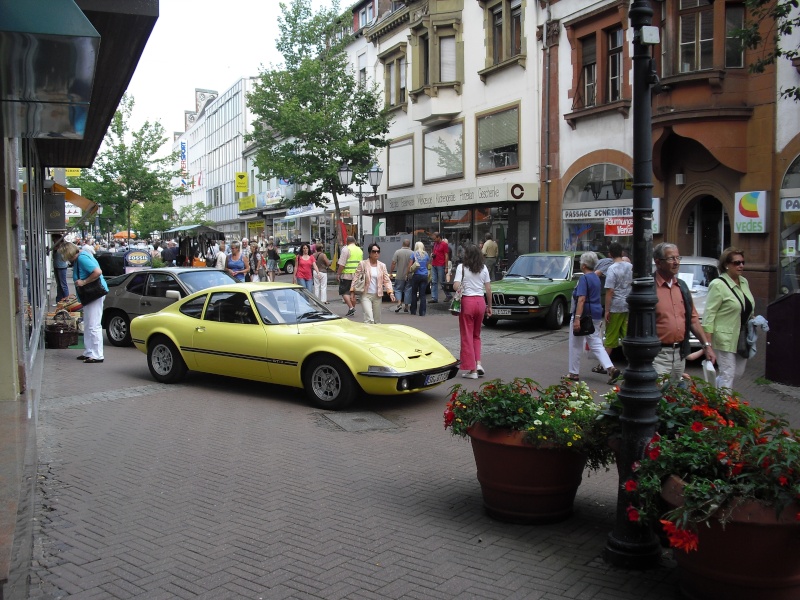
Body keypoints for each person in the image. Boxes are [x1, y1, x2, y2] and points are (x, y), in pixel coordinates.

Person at [653, 242, 716, 382]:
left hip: (679, 353)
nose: (676, 262)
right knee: (658, 395)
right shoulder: (649, 288)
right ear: (658, 262)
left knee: (674, 397)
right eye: (671, 258)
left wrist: (706, 346)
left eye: (678, 258)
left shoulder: (682, 286)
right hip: (657, 354)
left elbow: (693, 319)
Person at [702, 247, 754, 390]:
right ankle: (725, 408)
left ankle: (716, 390)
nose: (741, 266)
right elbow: (709, 315)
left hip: (742, 335)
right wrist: (708, 344)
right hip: (724, 336)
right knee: (728, 373)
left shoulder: (744, 282)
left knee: (737, 373)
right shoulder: (718, 285)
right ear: (726, 264)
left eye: (743, 262)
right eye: (736, 263)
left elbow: (747, 306)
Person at [568, 251, 620, 384]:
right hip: (596, 313)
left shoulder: (584, 279)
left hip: (585, 314)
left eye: (581, 263)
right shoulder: (596, 278)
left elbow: (581, 299)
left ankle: (573, 373)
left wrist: (577, 318)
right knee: (596, 343)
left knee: (575, 344)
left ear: (584, 265)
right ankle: (610, 368)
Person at [59, 242, 107, 363]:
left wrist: (84, 282)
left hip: (93, 295)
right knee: (89, 324)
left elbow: (97, 272)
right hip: (92, 295)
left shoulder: (82, 259)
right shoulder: (83, 256)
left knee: (93, 325)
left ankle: (97, 354)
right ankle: (89, 351)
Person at [453, 244, 492, 379]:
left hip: (467, 302)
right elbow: (488, 289)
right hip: (480, 302)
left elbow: (456, 286)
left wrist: (462, 283)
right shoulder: (484, 268)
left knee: (467, 335)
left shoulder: (461, 267)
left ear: (467, 255)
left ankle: (472, 370)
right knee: (476, 335)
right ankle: (478, 363)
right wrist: (489, 307)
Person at [594, 242, 633, 374]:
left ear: (610, 254)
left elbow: (610, 290)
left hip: (616, 305)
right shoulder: (629, 266)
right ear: (622, 253)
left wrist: (607, 310)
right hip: (627, 304)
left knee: (610, 337)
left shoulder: (612, 268)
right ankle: (633, 362)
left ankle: (603, 365)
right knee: (626, 335)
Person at [351, 243, 395, 324]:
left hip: (377, 295)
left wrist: (390, 292)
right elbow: (356, 278)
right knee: (369, 317)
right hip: (365, 294)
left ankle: (376, 335)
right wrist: (352, 292)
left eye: (378, 252)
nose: (376, 253)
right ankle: (368, 334)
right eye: (374, 251)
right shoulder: (363, 264)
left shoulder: (382, 265)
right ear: (369, 253)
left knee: (377, 320)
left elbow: (387, 280)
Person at [337, 236, 362, 317]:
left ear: (347, 241)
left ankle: (351, 308)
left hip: (347, 274)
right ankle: (352, 309)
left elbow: (342, 264)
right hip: (357, 274)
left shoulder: (346, 249)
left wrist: (338, 274)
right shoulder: (359, 250)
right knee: (352, 293)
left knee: (344, 291)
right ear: (354, 241)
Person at [390, 238, 413, 313]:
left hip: (399, 274)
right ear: (409, 245)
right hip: (409, 275)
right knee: (408, 290)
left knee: (398, 289)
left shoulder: (397, 252)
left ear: (402, 244)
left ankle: (399, 303)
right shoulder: (412, 253)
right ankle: (406, 306)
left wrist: (391, 272)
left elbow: (393, 263)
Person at [409, 241, 430, 317]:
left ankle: (413, 310)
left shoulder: (413, 254)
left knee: (414, 293)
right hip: (424, 275)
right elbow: (427, 265)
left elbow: (410, 265)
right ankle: (422, 312)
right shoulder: (426, 254)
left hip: (416, 275)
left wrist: (408, 272)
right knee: (422, 294)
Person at [429, 232, 451, 303]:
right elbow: (435, 252)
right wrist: (432, 255)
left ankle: (448, 295)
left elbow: (446, 255)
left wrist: (446, 267)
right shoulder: (435, 244)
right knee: (434, 281)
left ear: (439, 237)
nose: (434, 240)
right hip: (434, 264)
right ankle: (434, 298)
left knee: (442, 281)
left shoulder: (444, 244)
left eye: (435, 238)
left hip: (441, 265)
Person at [51, 234, 70, 302]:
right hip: (56, 266)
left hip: (62, 266)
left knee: (63, 284)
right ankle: (59, 300)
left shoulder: (63, 246)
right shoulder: (55, 246)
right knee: (59, 285)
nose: (53, 241)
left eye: (54, 239)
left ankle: (66, 300)